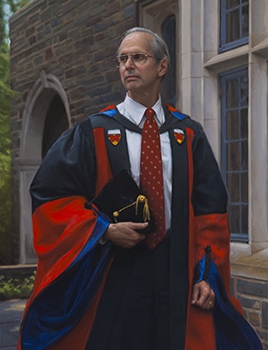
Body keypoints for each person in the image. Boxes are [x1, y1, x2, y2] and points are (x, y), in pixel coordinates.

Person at [17, 28, 263, 350]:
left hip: (175, 270)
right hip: (114, 268)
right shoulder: (93, 132)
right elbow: (50, 196)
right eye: (122, 59)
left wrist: (207, 273)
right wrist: (103, 229)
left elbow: (210, 213)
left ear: (162, 66)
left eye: (138, 57)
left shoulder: (187, 134)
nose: (128, 65)